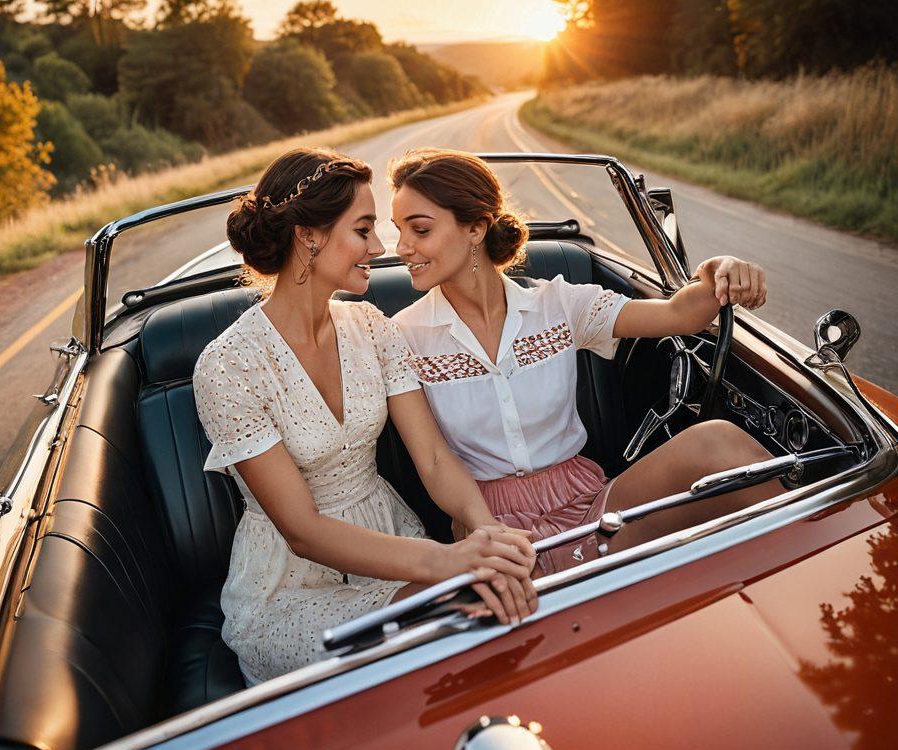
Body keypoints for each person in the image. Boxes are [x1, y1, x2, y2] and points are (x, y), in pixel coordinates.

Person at [193, 148, 536, 686]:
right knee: (445, 626)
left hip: (392, 542)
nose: (380, 248)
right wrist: (446, 563)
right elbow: (302, 531)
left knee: (483, 609)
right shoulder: (227, 366)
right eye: (364, 229)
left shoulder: (371, 326)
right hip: (292, 587)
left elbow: (433, 458)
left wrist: (487, 535)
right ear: (309, 235)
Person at [389, 148, 780, 574]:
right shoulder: (402, 335)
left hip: (587, 500)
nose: (403, 247)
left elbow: (678, 314)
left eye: (420, 230)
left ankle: (804, 571)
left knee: (718, 441)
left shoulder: (557, 303)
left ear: (475, 229)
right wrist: (484, 528)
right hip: (486, 520)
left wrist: (720, 269)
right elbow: (431, 461)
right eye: (399, 231)